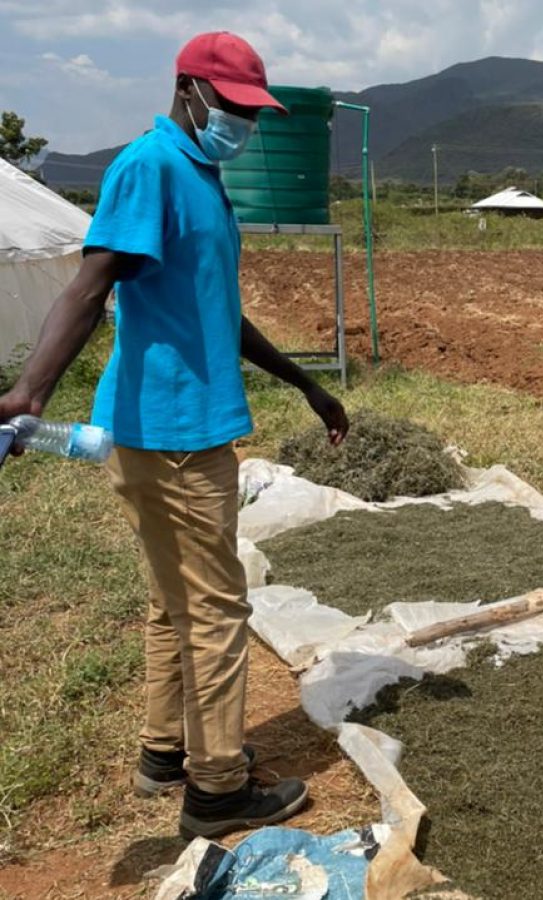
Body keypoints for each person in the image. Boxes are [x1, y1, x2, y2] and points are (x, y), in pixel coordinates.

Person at [0, 31, 349, 838]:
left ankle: (164, 752)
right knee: (219, 608)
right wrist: (28, 393)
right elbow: (90, 286)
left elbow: (213, 309)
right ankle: (219, 789)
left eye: (252, 113)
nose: (244, 125)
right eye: (232, 107)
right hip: (174, 435)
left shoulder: (199, 171)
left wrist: (304, 383)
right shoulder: (151, 166)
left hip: (169, 429)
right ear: (189, 89)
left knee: (172, 600)